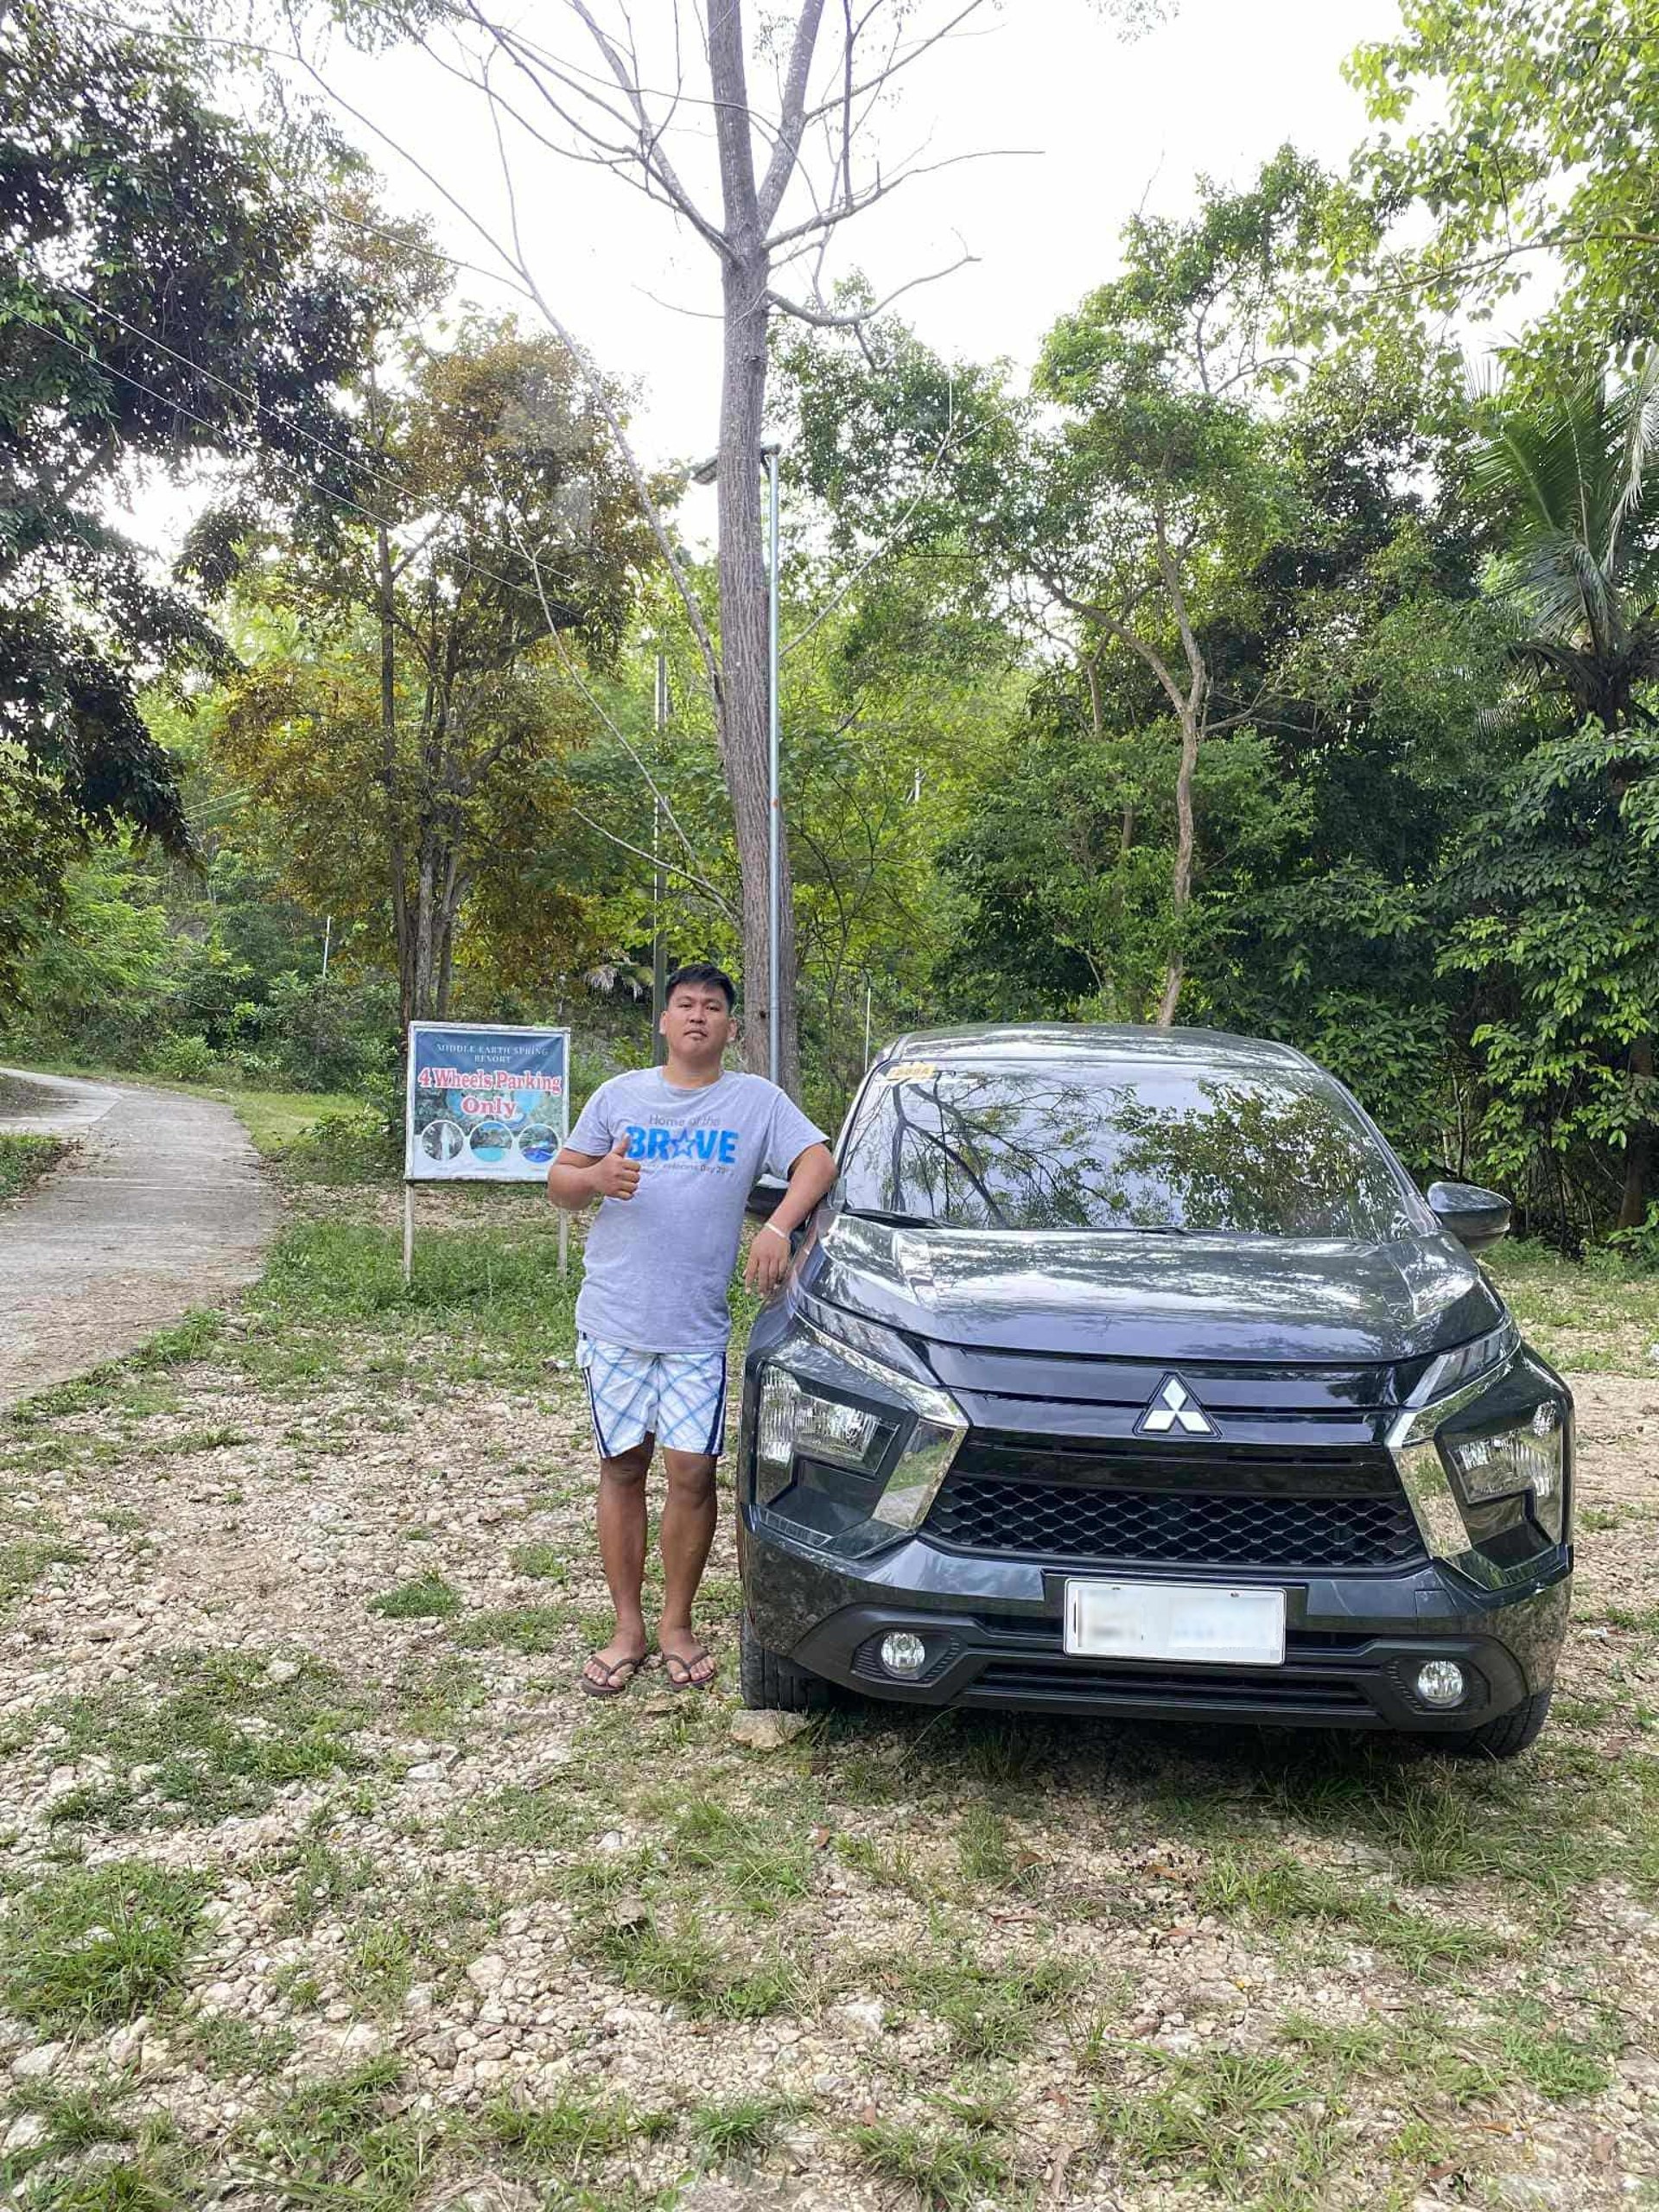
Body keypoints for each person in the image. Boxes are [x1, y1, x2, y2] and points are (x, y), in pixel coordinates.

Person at [546, 963, 837, 1697]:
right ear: (665, 1021)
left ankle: (676, 1624)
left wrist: (777, 1226)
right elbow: (559, 1183)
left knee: (693, 1472)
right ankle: (627, 1629)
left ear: (731, 1028)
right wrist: (594, 1179)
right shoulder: (619, 1096)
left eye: (712, 1007)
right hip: (616, 1317)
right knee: (622, 1467)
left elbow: (819, 1161)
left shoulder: (755, 1102)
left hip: (696, 1328)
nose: (698, 1015)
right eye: (684, 1004)